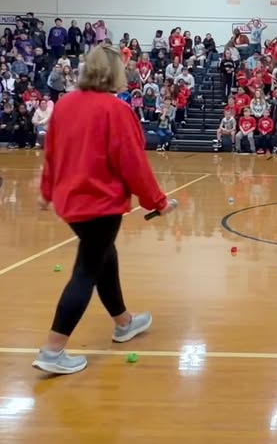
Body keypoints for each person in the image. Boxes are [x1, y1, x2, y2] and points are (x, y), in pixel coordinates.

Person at [35, 44, 177, 375]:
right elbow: (133, 163)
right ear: (115, 72)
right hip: (100, 204)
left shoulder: (65, 104)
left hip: (71, 204)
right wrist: (157, 202)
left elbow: (51, 153)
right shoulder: (116, 110)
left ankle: (124, 323)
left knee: (103, 258)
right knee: (87, 269)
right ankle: (53, 350)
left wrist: (46, 192)